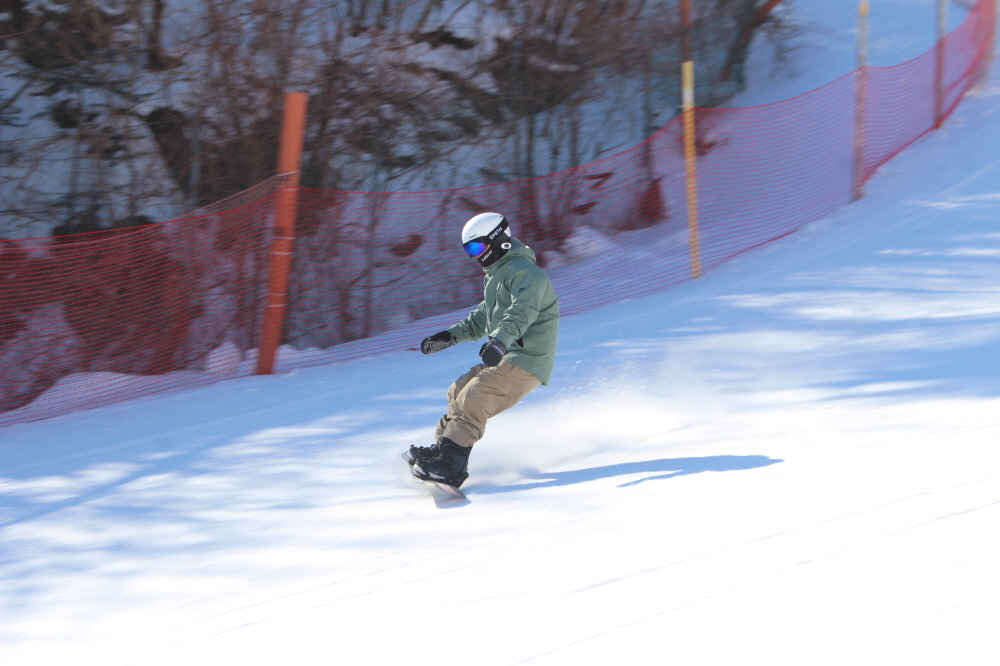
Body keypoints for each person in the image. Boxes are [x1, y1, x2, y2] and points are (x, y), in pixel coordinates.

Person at [409, 212, 559, 488]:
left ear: (498, 239)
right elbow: (482, 318)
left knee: (476, 396)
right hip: (508, 355)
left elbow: (522, 312)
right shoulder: (498, 274)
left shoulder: (525, 273)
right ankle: (444, 450)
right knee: (458, 390)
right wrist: (449, 336)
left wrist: (499, 341)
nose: (475, 255)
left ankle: (452, 466)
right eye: (469, 249)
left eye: (477, 246)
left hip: (527, 358)